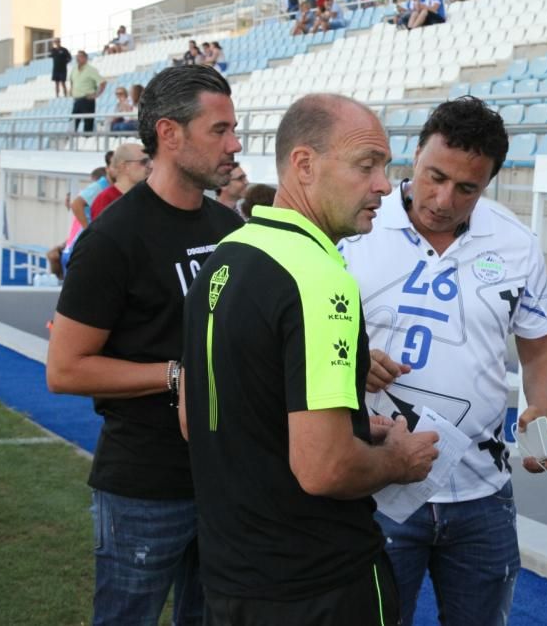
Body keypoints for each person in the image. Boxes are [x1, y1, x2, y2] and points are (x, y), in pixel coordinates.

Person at [180, 93, 439, 625]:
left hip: (231, 579)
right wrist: (400, 460)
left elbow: (196, 418)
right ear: (304, 165)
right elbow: (324, 468)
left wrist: (345, 426)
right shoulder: (321, 280)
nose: (385, 186)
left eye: (385, 168)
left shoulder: (223, 258)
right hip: (317, 582)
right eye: (366, 166)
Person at [339, 96, 547, 626]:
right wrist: (350, 360)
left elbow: (540, 351)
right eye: (434, 176)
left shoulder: (516, 243)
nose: (443, 199)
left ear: (489, 184)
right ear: (414, 156)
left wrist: (542, 410)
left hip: (483, 491)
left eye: (468, 188)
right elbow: (303, 340)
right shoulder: (352, 231)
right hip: (376, 486)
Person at [46, 64, 244, 625]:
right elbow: (64, 370)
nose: (234, 144)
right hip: (144, 487)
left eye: (234, 129)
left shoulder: (228, 229)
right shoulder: (113, 238)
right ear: (169, 134)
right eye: (220, 130)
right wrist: (175, 374)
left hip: (225, 481)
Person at [89, 142, 151, 220]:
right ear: (125, 166)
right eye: (144, 161)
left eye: (150, 161)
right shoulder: (105, 200)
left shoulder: (147, 196)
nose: (150, 166)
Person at [70, 51, 106, 133]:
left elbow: (102, 82)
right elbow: (72, 80)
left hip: (87, 99)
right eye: (77, 56)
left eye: (80, 56)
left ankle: (87, 139)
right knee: (73, 122)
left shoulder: (91, 70)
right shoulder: (74, 69)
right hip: (77, 100)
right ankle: (71, 141)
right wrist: (72, 90)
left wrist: (96, 95)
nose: (77, 59)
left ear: (85, 58)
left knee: (88, 123)